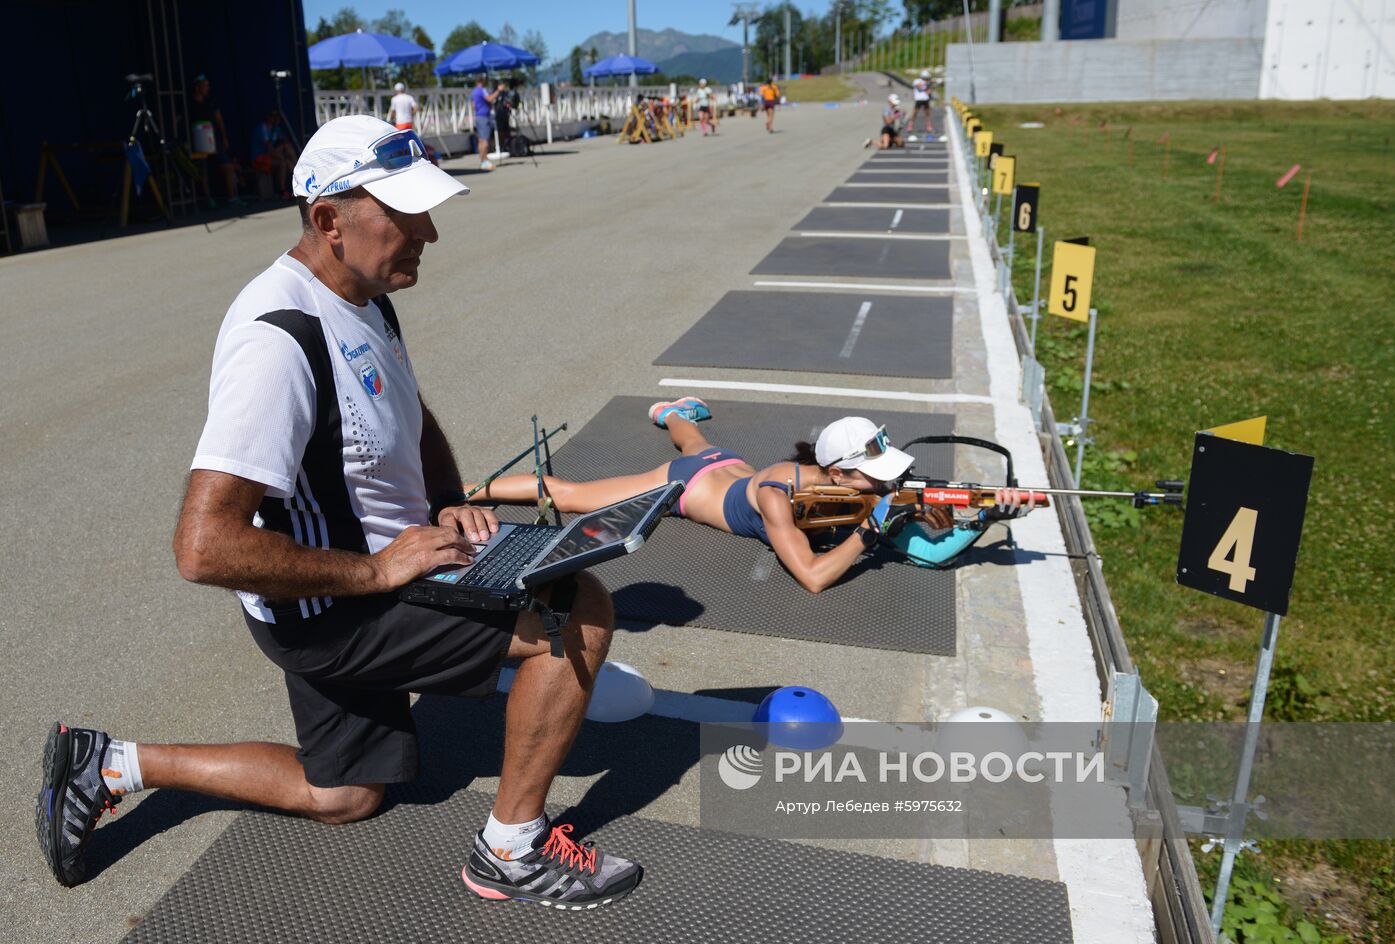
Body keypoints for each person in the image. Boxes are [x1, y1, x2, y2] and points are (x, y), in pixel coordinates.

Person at [35, 115, 643, 911]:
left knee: (347, 796)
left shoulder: (362, 293)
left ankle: (110, 762)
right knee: (578, 612)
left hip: (351, 591)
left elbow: (409, 413)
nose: (427, 231)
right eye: (403, 214)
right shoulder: (278, 340)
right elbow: (202, 546)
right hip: (336, 610)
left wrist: (449, 502)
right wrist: (377, 568)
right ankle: (511, 850)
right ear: (328, 221)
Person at [469, 399, 1033, 593]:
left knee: (696, 435)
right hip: (690, 484)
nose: (887, 485)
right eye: (875, 478)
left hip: (725, 466)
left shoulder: (846, 484)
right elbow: (812, 578)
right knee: (570, 496)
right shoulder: (776, 494)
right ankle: (469, 488)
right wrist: (869, 531)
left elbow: (915, 527)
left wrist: (979, 511)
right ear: (837, 475)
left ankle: (672, 412)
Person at [189, 73, 242, 206]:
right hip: (198, 141)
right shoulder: (189, 103)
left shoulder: (211, 101)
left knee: (228, 167)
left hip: (214, 140)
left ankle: (233, 197)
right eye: (205, 86)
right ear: (197, 87)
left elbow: (219, 120)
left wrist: (224, 137)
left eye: (208, 85)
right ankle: (208, 199)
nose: (207, 88)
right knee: (203, 170)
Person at [249, 110, 297, 198]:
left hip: (272, 156)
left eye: (277, 117)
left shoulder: (276, 129)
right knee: (283, 163)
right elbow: (269, 149)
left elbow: (285, 142)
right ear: (268, 117)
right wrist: (284, 159)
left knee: (287, 147)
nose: (275, 118)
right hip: (260, 158)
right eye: (273, 116)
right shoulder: (262, 128)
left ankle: (297, 169)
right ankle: (282, 190)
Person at [472, 76, 504, 171]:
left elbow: (473, 104)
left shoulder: (474, 91)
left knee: (481, 140)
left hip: (478, 116)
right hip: (484, 116)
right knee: (485, 140)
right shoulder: (482, 90)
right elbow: (490, 98)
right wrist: (498, 91)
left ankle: (482, 161)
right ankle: (485, 161)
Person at [907, 69, 934, 135]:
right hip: (918, 99)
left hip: (925, 99)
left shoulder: (928, 83)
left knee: (927, 113)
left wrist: (930, 87)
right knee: (915, 113)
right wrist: (927, 83)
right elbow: (919, 85)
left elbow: (928, 92)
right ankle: (910, 125)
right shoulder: (917, 81)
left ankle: (929, 126)